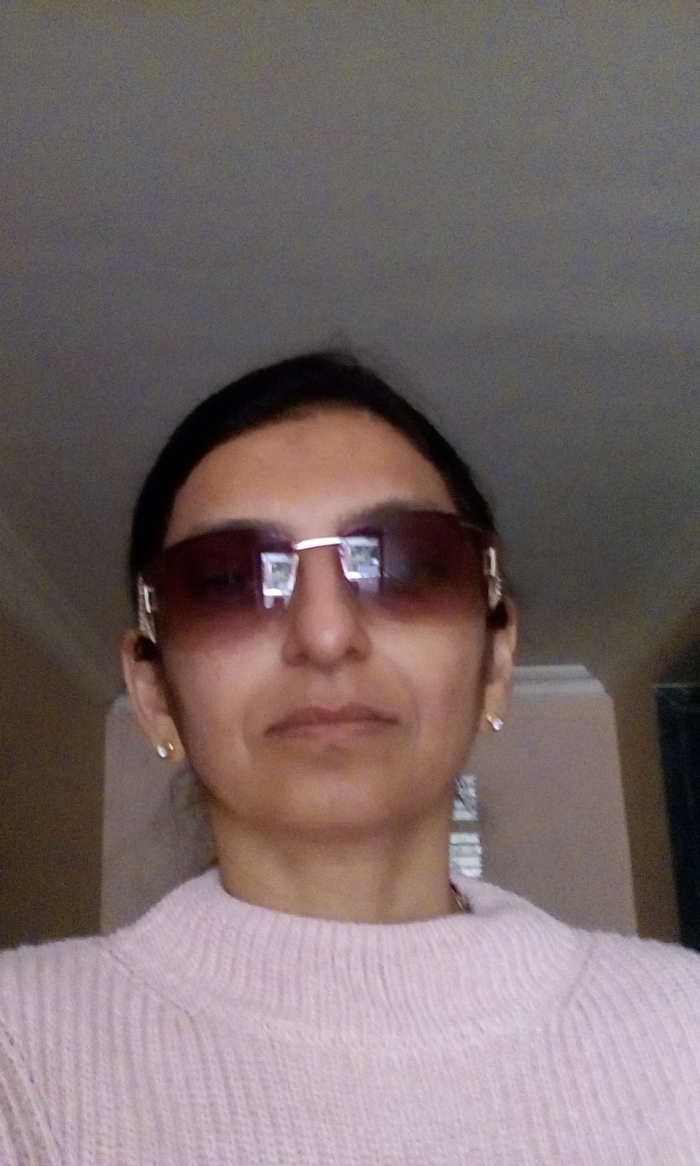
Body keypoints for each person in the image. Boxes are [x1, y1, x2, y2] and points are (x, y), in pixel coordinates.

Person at [1, 351, 699, 1165]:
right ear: (153, 691)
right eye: (227, 582)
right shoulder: (20, 1054)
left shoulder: (682, 1027)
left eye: (404, 564)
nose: (326, 635)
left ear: (496, 662)